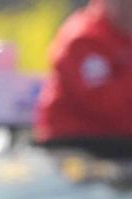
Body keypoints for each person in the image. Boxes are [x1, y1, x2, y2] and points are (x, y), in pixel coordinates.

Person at [34, 0, 132, 144]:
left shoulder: (124, 33)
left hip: (117, 141)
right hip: (76, 141)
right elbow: (102, 105)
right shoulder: (84, 37)